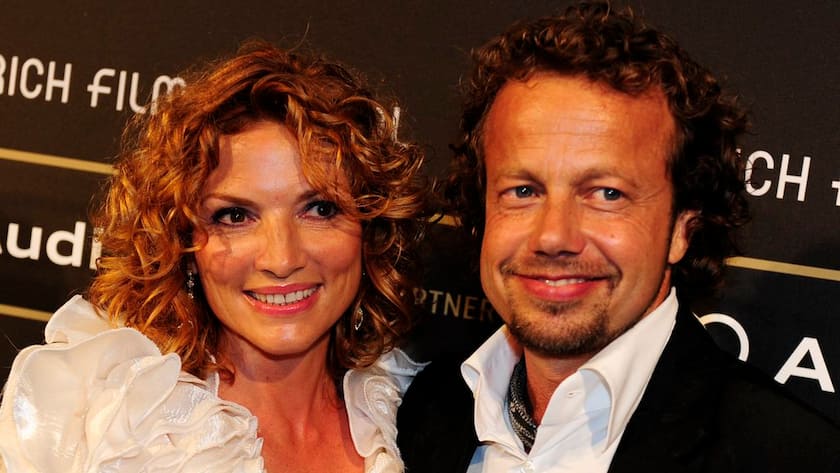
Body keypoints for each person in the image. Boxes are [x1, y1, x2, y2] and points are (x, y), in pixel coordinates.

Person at [396, 2, 840, 472]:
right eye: (523, 191)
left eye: (607, 194)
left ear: (682, 228)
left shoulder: (791, 458)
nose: (553, 236)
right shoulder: (419, 410)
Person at [0, 41, 429, 473]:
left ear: (370, 229)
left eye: (319, 209)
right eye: (235, 216)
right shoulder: (104, 423)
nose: (282, 259)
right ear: (182, 244)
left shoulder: (417, 416)